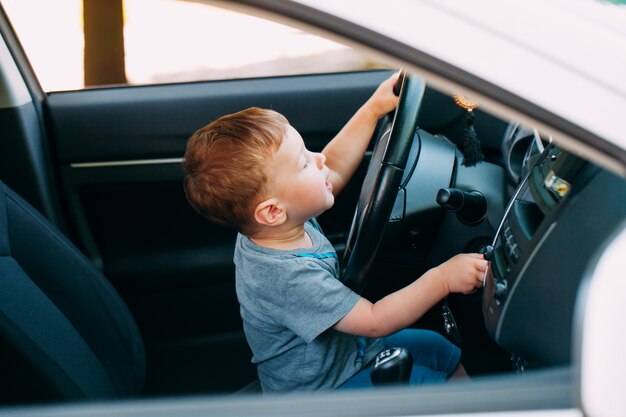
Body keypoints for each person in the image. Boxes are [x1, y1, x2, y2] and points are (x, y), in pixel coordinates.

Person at [182, 73, 487, 392]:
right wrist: (443, 279)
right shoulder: (291, 279)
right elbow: (374, 320)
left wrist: (372, 110)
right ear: (273, 211)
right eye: (303, 164)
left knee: (436, 346)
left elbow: (335, 167)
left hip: (343, 352)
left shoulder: (278, 223)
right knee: (429, 385)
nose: (319, 159)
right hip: (323, 389)